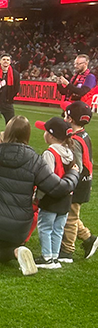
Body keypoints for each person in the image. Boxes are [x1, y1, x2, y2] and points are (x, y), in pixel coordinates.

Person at [0, 115, 78, 275]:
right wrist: (73, 173)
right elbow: (59, 188)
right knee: (10, 241)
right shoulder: (35, 160)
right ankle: (17, 251)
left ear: (8, 132)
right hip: (19, 227)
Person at [34, 117, 78, 268]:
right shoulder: (70, 152)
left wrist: (37, 197)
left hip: (50, 198)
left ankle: (47, 258)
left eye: (45, 131)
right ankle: (54, 256)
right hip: (66, 198)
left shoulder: (50, 153)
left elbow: (46, 179)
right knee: (58, 228)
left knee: (45, 227)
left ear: (51, 136)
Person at [60, 100, 98, 262]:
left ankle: (67, 250)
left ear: (70, 119)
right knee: (71, 214)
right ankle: (89, 239)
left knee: (70, 218)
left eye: (66, 114)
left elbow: (77, 165)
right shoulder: (83, 134)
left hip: (77, 182)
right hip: (84, 181)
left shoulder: (74, 140)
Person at [0, 53, 21, 141]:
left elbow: (16, 88)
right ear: (0, 61)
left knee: (11, 124)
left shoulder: (15, 74)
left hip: (7, 102)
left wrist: (9, 98)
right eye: (4, 59)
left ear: (10, 62)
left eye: (8, 60)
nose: (5, 61)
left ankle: (10, 142)